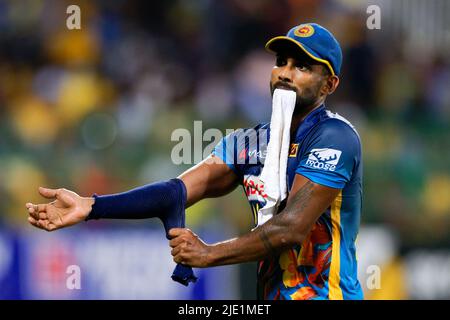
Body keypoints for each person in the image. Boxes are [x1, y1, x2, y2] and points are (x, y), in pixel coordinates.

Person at [26, 23, 363, 300]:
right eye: (282, 62)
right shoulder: (249, 142)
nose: (286, 74)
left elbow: (291, 229)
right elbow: (175, 193)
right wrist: (91, 206)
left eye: (303, 66)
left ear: (329, 84)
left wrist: (208, 254)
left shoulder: (335, 137)